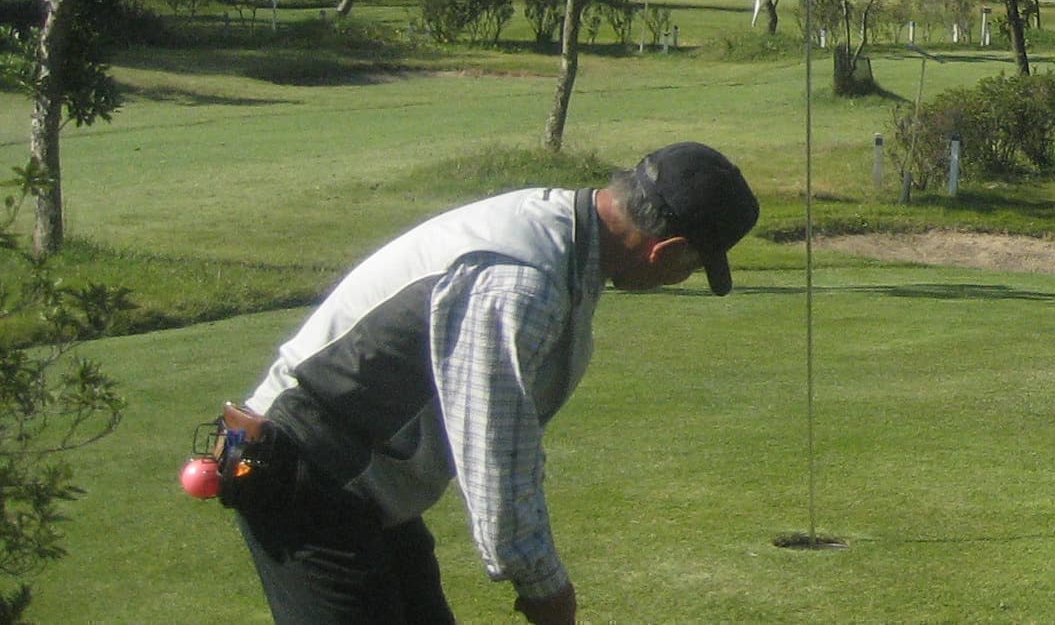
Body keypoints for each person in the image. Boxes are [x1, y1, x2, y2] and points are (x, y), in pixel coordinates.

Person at [218, 142, 760, 624]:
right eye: (693, 266)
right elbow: (495, 453)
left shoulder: (562, 229)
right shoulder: (523, 282)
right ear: (664, 250)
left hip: (366, 487)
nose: (681, 279)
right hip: (304, 472)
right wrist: (545, 588)